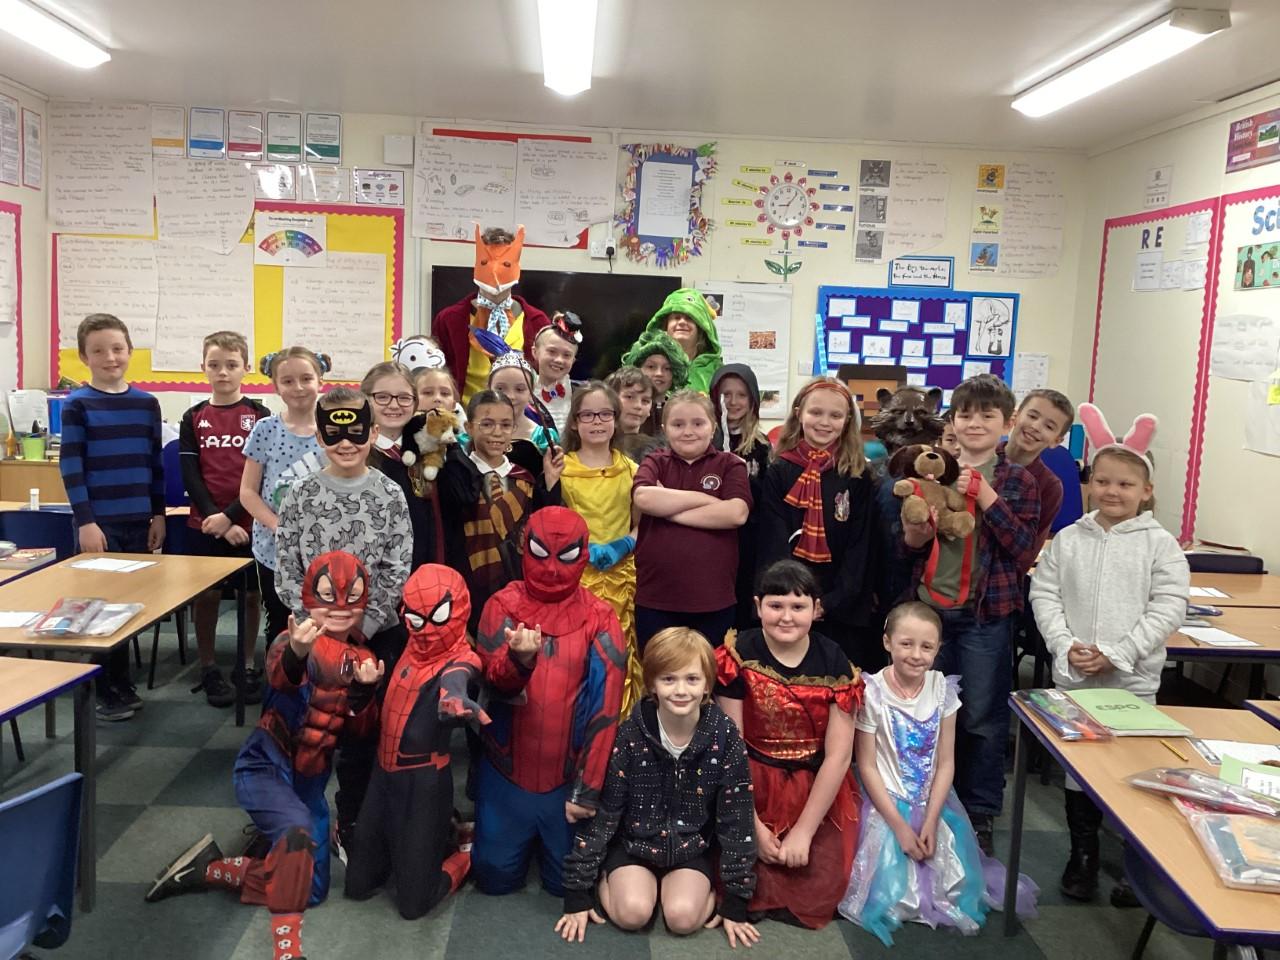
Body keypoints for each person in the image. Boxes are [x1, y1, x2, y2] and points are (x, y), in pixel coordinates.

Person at [145, 551, 384, 960]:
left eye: (352, 597)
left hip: (311, 781)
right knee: (296, 833)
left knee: (312, 889)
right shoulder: (289, 642)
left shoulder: (364, 660)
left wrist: (364, 693)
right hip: (266, 767)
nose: (340, 607)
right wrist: (297, 654)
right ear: (309, 597)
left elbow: (359, 735)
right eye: (329, 596)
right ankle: (287, 951)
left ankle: (209, 869)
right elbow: (281, 678)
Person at [1029, 403, 1187, 906]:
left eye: (1125, 484)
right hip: (1075, 678)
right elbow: (1045, 595)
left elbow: (1168, 606)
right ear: (1089, 483)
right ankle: (1083, 854)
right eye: (1102, 481)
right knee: (1081, 769)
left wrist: (1119, 653)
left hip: (1132, 680)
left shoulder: (1160, 545)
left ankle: (1136, 864)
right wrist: (1064, 645)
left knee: (1133, 769)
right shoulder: (1068, 540)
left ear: (1147, 490)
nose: (1112, 491)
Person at [837, 601, 1038, 945]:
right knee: (889, 891)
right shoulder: (871, 693)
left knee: (953, 882)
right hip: (885, 801)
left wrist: (930, 820)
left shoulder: (943, 690)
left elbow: (946, 762)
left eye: (927, 646)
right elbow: (866, 765)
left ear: (938, 648)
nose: (916, 655)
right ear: (887, 642)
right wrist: (901, 827)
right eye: (906, 644)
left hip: (932, 801)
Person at [902, 374, 1040, 855]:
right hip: (929, 612)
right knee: (923, 711)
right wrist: (916, 532)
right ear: (953, 421)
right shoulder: (935, 468)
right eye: (965, 414)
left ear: (1007, 422)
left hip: (985, 614)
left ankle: (979, 812)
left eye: (987, 415)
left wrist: (985, 497)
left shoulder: (1018, 480)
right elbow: (910, 546)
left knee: (980, 716)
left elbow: (1023, 548)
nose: (974, 423)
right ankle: (921, 803)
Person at [556, 627, 759, 948]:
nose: (681, 690)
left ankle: (691, 891)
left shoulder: (725, 736)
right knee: (632, 914)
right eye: (668, 679)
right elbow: (605, 813)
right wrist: (578, 892)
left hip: (690, 849)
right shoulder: (630, 735)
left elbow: (737, 820)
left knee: (682, 919)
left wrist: (735, 900)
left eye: (692, 679)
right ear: (651, 683)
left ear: (707, 684)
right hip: (634, 846)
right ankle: (615, 883)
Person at [471, 507, 626, 897]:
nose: (552, 569)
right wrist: (519, 661)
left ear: (583, 555)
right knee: (493, 877)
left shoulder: (601, 618)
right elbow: (493, 683)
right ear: (525, 549)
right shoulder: (501, 606)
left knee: (567, 885)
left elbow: (605, 710)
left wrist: (587, 789)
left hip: (566, 780)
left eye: (566, 556)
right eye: (541, 553)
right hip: (507, 772)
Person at [716, 560, 861, 929]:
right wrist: (752, 826)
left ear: (817, 608)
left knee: (825, 880)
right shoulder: (738, 653)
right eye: (775, 605)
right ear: (757, 605)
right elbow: (731, 745)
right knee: (731, 871)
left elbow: (839, 756)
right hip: (747, 779)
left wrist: (805, 831)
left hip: (814, 784)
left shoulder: (835, 662)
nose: (786, 617)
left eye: (798, 606)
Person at [345, 564, 488, 919]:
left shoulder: (463, 657)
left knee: (413, 904)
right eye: (416, 618)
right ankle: (433, 840)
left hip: (424, 783)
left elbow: (459, 677)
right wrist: (364, 689)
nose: (426, 631)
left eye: (437, 617)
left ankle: (468, 855)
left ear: (458, 610)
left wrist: (455, 700)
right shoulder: (407, 644)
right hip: (382, 775)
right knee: (357, 884)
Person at [60, 313, 165, 721]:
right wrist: (86, 522)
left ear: (130, 351)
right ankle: (103, 691)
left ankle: (122, 682)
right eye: (99, 350)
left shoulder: (146, 403)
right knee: (98, 608)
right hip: (98, 525)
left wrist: (158, 515)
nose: (110, 357)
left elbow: (154, 464)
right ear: (84, 356)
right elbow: (71, 466)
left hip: (138, 520)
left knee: (129, 606)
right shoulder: (77, 404)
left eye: (117, 348)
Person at [757, 378, 877, 668]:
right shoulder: (779, 470)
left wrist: (830, 602)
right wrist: (795, 600)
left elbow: (860, 547)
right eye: (816, 412)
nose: (824, 422)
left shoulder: (858, 475)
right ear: (799, 414)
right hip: (791, 603)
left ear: (847, 421)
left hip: (842, 605)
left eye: (835, 415)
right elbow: (774, 541)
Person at [181, 331, 270, 707]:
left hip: (250, 523)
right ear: (202, 368)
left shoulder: (260, 415)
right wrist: (216, 518)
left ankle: (246, 664)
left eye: (231, 365)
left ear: (245, 368)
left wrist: (233, 517)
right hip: (205, 523)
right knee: (208, 597)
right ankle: (208, 667)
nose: (223, 372)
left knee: (251, 596)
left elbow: (263, 476)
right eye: (214, 365)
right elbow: (190, 474)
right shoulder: (193, 417)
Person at [438, 388, 564, 635]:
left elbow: (543, 528)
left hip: (518, 587)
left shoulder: (525, 478)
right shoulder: (457, 477)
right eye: (487, 424)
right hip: (469, 585)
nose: (497, 432)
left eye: (506, 425)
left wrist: (550, 479)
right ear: (469, 427)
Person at [632, 391, 751, 651]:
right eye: (678, 424)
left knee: (710, 670)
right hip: (656, 598)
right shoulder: (655, 461)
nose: (688, 431)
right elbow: (643, 498)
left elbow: (736, 514)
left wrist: (668, 509)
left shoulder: (730, 464)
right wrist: (708, 501)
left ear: (713, 426)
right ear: (665, 429)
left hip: (713, 600)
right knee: (658, 670)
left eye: (698, 423)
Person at [559, 381, 645, 715]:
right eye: (588, 415)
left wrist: (624, 544)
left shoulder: (632, 471)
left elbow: (642, 525)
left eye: (605, 414)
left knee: (621, 653)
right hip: (576, 578)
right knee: (580, 656)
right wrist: (580, 550)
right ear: (574, 422)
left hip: (622, 578)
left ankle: (621, 729)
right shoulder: (561, 470)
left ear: (616, 419)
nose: (597, 422)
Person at [240, 348, 329, 657]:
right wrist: (278, 525)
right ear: (276, 387)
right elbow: (247, 492)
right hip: (274, 548)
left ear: (320, 381)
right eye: (288, 381)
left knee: (325, 620)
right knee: (281, 621)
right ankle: (279, 680)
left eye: (306, 378)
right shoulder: (266, 430)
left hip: (325, 546)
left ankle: (322, 679)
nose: (298, 387)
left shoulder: (333, 429)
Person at [431, 225, 549, 403]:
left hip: (518, 414)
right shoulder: (448, 320)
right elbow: (437, 372)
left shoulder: (537, 322)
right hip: (466, 416)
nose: (495, 272)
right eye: (486, 263)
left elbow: (545, 376)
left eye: (506, 265)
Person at [710, 364, 772, 629]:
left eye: (741, 395)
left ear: (753, 400)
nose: (733, 402)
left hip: (748, 542)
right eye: (726, 394)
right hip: (710, 539)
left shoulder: (761, 447)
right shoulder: (703, 440)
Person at [361, 360, 440, 570]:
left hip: (424, 570)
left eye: (404, 398)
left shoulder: (428, 451)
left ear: (415, 402)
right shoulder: (357, 457)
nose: (394, 405)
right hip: (375, 573)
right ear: (365, 399)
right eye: (382, 397)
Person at [1002, 388, 1075, 561]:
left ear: (1056, 441)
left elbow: (1029, 551)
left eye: (1049, 426)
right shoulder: (982, 458)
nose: (1035, 427)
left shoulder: (1050, 487)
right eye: (1032, 416)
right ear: (1015, 416)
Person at [632, 288, 723, 394]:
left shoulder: (715, 369)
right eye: (676, 317)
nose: (682, 322)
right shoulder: (643, 360)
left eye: (689, 318)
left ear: (701, 328)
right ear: (665, 326)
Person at [619, 328, 689, 432]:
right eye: (651, 367)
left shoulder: (682, 409)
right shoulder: (622, 407)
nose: (659, 373)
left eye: (667, 368)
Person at [531, 310, 584, 434]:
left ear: (573, 360)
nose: (559, 360)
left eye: (567, 355)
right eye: (552, 352)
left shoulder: (582, 393)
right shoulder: (523, 392)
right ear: (535, 352)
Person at [606, 365, 663, 464]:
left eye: (645, 401)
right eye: (629, 397)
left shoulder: (657, 451)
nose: (638, 406)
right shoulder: (594, 443)